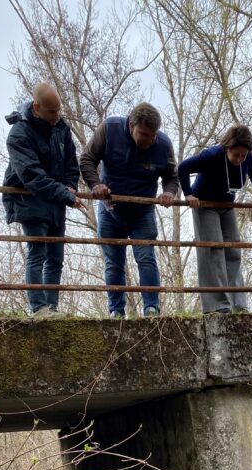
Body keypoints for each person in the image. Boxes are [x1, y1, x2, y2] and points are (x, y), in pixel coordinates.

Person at [80, 103, 178, 318]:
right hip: (110, 209)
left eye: (153, 135)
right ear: (131, 125)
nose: (149, 140)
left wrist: (169, 193)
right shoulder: (110, 129)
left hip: (143, 211)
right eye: (144, 134)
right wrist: (96, 184)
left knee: (146, 257)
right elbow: (87, 159)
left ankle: (151, 309)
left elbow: (172, 176)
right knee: (113, 262)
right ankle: (116, 312)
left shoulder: (163, 144)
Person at [3, 83, 84, 317]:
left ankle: (52, 307)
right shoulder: (18, 134)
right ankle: (38, 308)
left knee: (56, 256)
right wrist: (65, 194)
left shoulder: (61, 128)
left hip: (56, 199)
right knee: (37, 251)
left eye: (58, 111)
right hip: (30, 198)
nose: (56, 116)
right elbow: (31, 176)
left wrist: (71, 185)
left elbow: (71, 162)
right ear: (36, 108)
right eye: (51, 111)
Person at [178, 125, 252, 314]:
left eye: (243, 156)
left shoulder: (248, 158)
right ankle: (218, 305)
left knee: (233, 250)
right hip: (205, 204)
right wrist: (188, 194)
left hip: (227, 204)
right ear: (227, 148)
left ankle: (238, 303)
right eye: (235, 155)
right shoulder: (211, 155)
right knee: (214, 250)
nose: (239, 159)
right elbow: (183, 167)